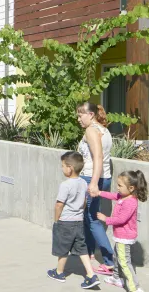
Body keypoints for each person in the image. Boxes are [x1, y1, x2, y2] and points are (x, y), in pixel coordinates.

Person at [47, 151, 100, 289]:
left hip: (65, 222)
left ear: (70, 168)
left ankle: (59, 272)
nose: (62, 168)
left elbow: (59, 204)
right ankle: (91, 274)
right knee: (82, 248)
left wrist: (56, 220)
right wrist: (80, 213)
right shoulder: (83, 182)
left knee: (63, 247)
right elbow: (83, 201)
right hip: (78, 221)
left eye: (63, 166)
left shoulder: (65, 185)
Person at [77, 101, 114, 275]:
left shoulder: (91, 130)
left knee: (92, 219)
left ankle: (109, 261)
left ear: (90, 114)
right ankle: (90, 251)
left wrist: (92, 182)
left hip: (93, 177)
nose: (78, 119)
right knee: (88, 216)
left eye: (80, 115)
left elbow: (98, 157)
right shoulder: (104, 130)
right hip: (104, 177)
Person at [97, 170, 147, 292]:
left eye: (120, 185)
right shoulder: (124, 196)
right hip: (120, 236)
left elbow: (121, 219)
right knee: (117, 258)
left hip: (124, 237)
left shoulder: (130, 202)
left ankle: (135, 288)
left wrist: (106, 219)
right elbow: (113, 195)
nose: (117, 188)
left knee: (124, 263)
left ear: (131, 188)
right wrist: (99, 192)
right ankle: (116, 278)